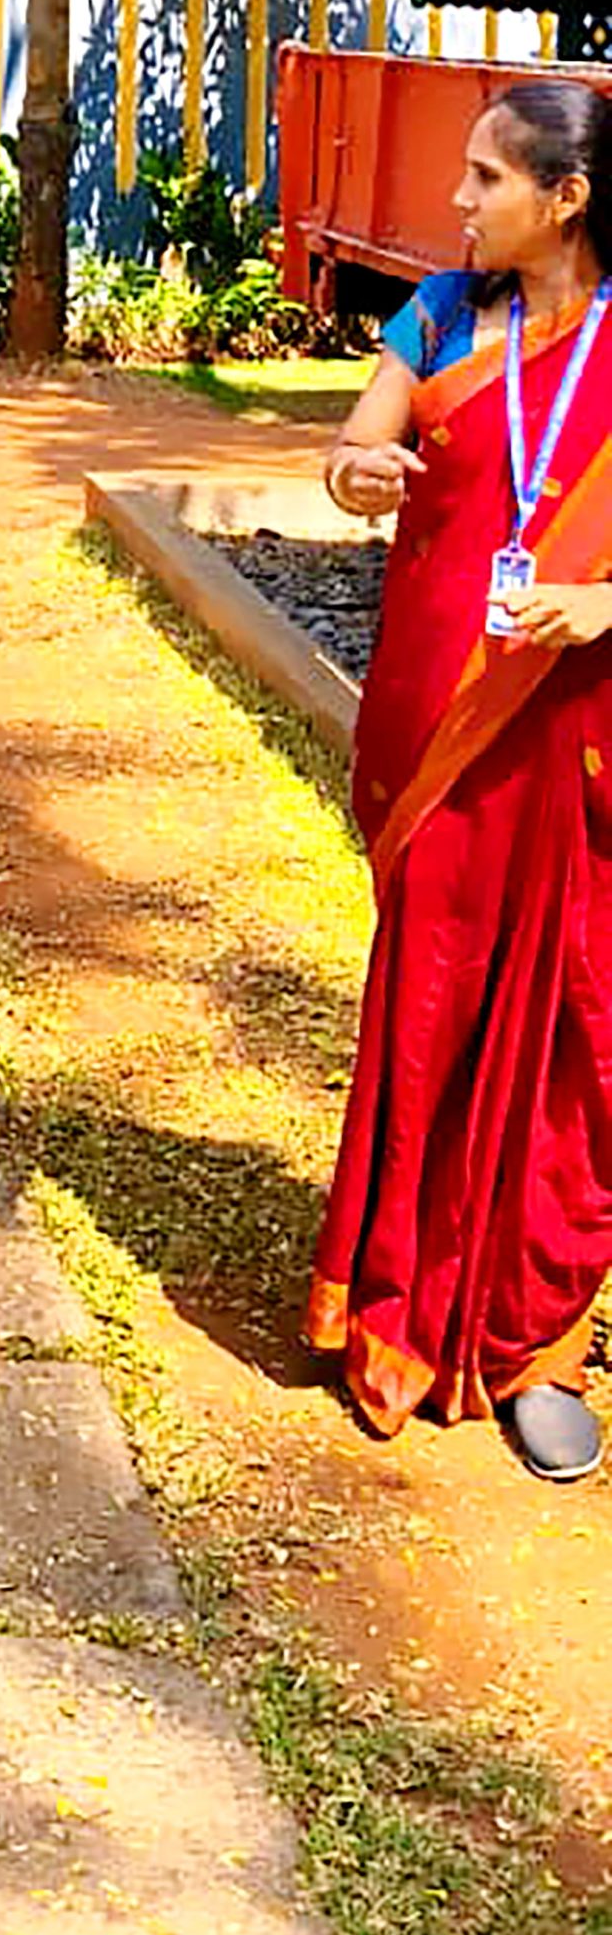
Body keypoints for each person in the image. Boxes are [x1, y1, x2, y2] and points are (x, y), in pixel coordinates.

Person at [310, 77, 612, 1485]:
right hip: (445, 723)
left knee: (570, 1030)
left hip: (582, 733)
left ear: (568, 198)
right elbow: (357, 445)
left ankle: (538, 1338)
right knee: (429, 1002)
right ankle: (400, 1309)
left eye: (489, 179)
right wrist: (360, 463)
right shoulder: (441, 313)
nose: (458, 199)